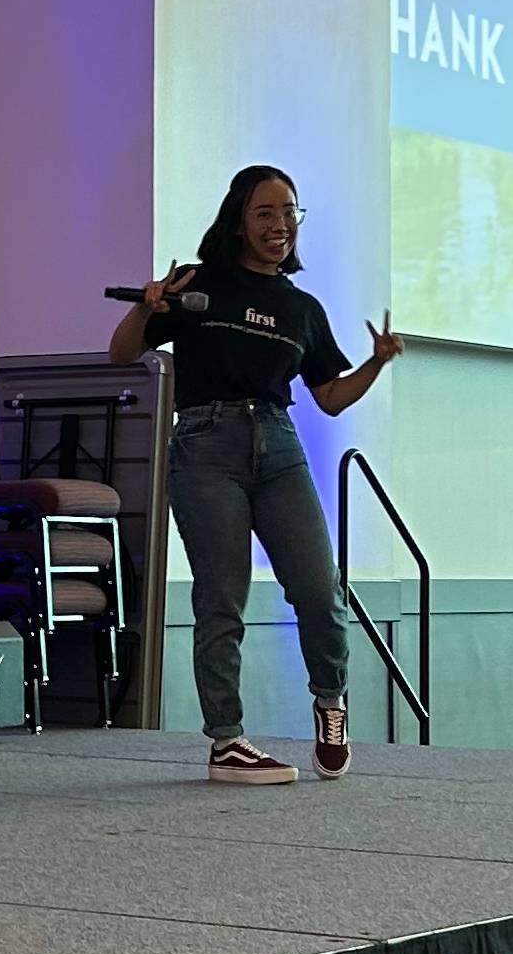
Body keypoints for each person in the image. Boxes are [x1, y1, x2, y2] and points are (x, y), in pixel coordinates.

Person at [107, 165, 402, 784]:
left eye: (290, 212)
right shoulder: (197, 285)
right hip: (205, 443)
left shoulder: (301, 308)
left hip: (279, 443)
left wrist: (377, 362)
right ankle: (227, 741)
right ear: (239, 220)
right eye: (265, 212)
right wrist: (150, 307)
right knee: (222, 599)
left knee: (319, 590)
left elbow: (330, 396)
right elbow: (122, 352)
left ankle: (330, 700)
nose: (280, 225)